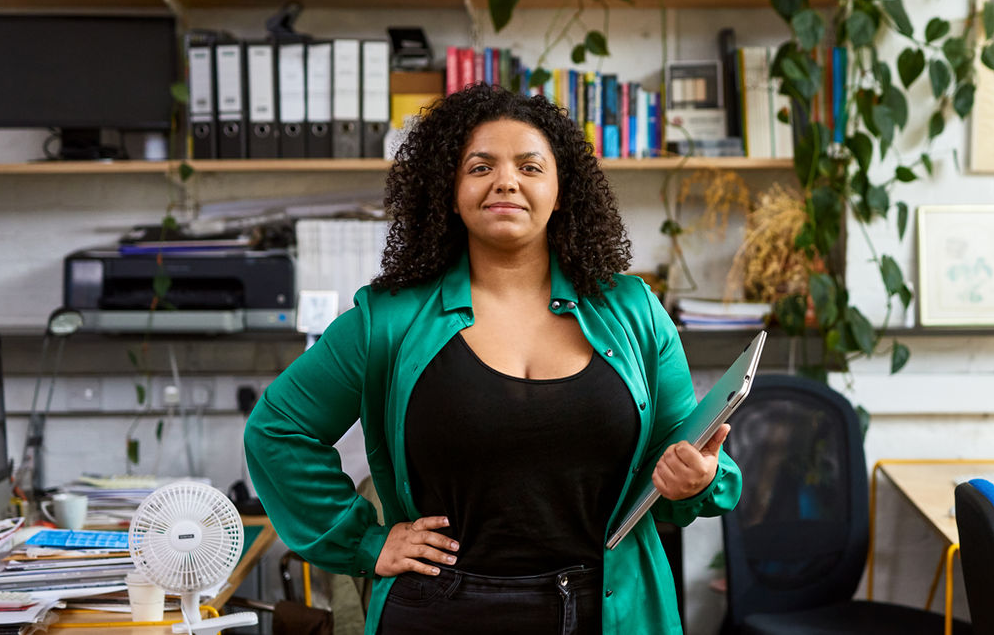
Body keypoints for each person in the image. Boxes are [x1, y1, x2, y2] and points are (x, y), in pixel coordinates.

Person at [244, 83, 742, 635]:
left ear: (561, 190)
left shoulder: (634, 311)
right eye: (480, 167)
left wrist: (697, 477)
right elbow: (277, 430)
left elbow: (683, 457)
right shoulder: (386, 319)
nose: (506, 180)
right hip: (438, 612)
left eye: (530, 166)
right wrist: (366, 539)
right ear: (449, 189)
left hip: (608, 612)